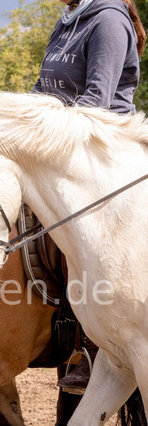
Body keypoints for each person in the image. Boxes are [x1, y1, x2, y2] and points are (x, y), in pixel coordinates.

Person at [31, 0, 145, 394]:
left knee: (79, 235)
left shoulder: (109, 20)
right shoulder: (67, 22)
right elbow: (42, 89)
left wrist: (39, 138)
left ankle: (92, 348)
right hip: (65, 144)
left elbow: (97, 99)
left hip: (102, 145)